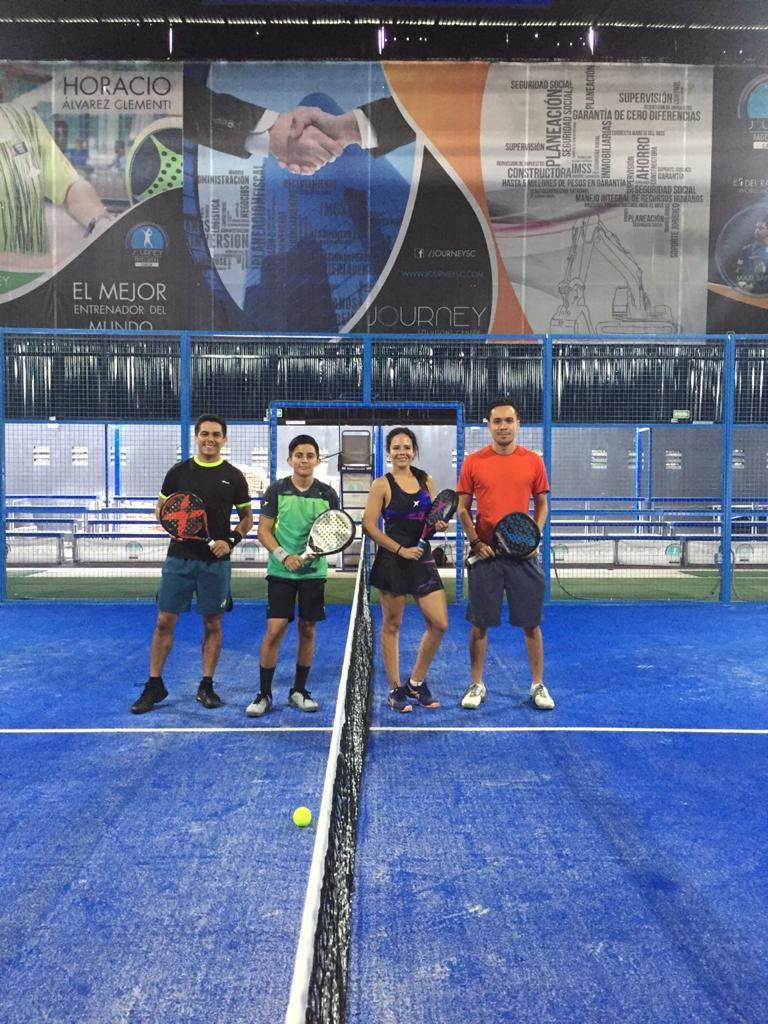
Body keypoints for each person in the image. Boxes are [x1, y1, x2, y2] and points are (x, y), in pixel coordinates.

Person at [130, 415, 253, 714]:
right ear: (196, 437)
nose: (210, 439)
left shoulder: (234, 476)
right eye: (204, 434)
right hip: (179, 559)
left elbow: (247, 518)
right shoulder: (178, 473)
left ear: (224, 439)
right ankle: (155, 684)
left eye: (216, 434)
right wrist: (172, 523)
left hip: (216, 563)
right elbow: (161, 509)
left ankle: (207, 684)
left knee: (213, 623)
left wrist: (231, 541)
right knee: (164, 621)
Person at [457, 399, 555, 711]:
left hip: (523, 557)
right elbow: (462, 509)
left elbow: (542, 504)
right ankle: (476, 683)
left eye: (508, 421)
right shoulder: (473, 462)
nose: (503, 427)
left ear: (517, 424)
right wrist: (475, 542)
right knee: (480, 624)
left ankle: (538, 684)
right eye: (497, 421)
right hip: (486, 555)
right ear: (488, 425)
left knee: (531, 623)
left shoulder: (533, 462)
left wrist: (534, 535)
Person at [246, 434, 340, 717]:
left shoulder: (327, 494)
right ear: (290, 460)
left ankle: (299, 690)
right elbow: (264, 531)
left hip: (313, 573)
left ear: (317, 461)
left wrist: (312, 555)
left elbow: (334, 531)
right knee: (275, 630)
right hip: (280, 573)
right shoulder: (276, 490)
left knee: (308, 629)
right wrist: (284, 556)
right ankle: (264, 694)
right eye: (299, 455)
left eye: (310, 455)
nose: (304, 460)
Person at [362, 427, 448, 712]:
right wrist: (400, 550)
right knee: (392, 625)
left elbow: (432, 521)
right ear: (389, 452)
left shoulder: (426, 480)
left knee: (439, 624)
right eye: (396, 447)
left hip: (421, 559)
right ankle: (395, 688)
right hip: (393, 562)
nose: (402, 452)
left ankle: (416, 682)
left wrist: (439, 525)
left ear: (414, 450)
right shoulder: (381, 485)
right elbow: (369, 525)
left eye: (407, 447)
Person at [0, 102, 111, 270]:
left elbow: (70, 185)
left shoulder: (23, 119)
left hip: (40, 281)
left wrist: (100, 224)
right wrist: (50, 263)